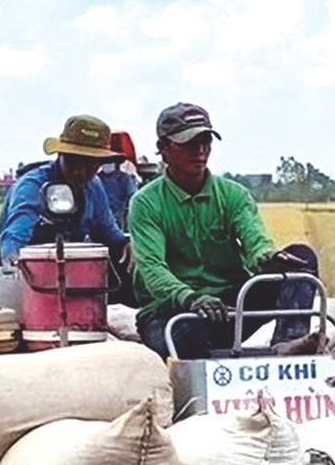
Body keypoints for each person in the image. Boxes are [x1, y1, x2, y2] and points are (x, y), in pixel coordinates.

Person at [128, 101, 320, 360]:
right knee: (185, 334)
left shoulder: (233, 195)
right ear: (163, 148)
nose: (200, 151)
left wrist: (267, 257)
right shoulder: (146, 203)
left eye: (205, 142)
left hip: (231, 304)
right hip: (174, 310)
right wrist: (191, 298)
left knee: (302, 257)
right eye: (189, 144)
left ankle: (289, 342)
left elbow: (255, 240)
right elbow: (152, 268)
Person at [0, 114, 131, 274]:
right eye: (74, 161)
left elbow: (109, 234)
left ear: (99, 164)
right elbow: (16, 234)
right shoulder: (32, 186)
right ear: (61, 155)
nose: (80, 171)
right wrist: (12, 259)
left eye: (89, 164)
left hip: (73, 276)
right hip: (32, 276)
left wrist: (126, 245)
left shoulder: (94, 188)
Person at [96, 130, 140, 230]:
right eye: (105, 161)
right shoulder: (96, 180)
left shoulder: (124, 179)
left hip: (118, 223)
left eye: (110, 161)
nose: (107, 164)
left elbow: (133, 200)